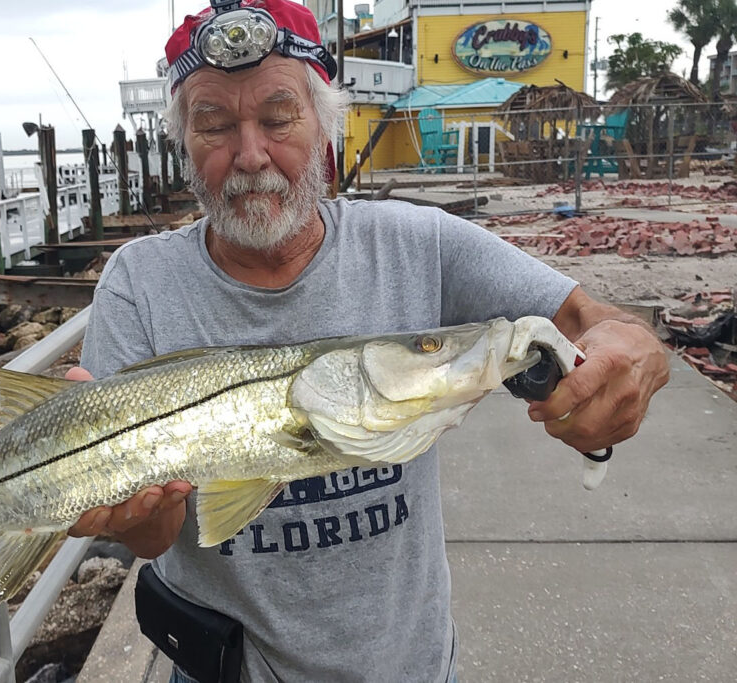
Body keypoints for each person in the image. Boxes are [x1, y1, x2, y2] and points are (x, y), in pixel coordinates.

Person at [66, 1, 670, 680]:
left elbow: (587, 316)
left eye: (277, 118)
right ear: (184, 143)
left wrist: (632, 349)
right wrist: (128, 510)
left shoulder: (419, 244)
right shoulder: (137, 283)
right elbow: (153, 537)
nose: (250, 155)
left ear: (325, 124)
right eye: (213, 125)